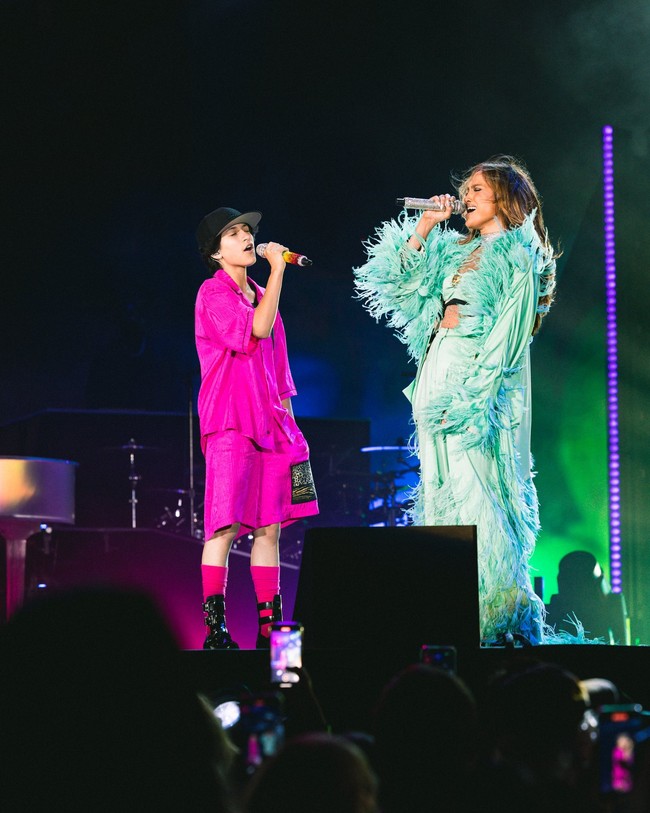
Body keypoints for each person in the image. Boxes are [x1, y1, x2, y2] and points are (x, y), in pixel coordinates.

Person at [354, 156, 557, 644]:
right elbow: (396, 285)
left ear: (504, 198)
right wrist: (425, 225)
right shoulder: (453, 250)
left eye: (477, 190)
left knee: (478, 487)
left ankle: (495, 616)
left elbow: (509, 335)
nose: (466, 197)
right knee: (439, 487)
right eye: (464, 189)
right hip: (438, 370)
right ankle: (449, 606)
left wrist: (475, 396)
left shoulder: (520, 252)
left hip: (477, 380)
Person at [195, 206, 318, 649]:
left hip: (271, 424)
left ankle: (271, 631)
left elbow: (280, 376)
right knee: (224, 526)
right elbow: (257, 329)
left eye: (247, 230)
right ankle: (216, 631)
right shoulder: (213, 293)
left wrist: (293, 432)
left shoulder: (265, 296)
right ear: (216, 252)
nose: (246, 237)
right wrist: (278, 269)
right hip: (230, 422)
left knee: (271, 528)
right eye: (233, 233)